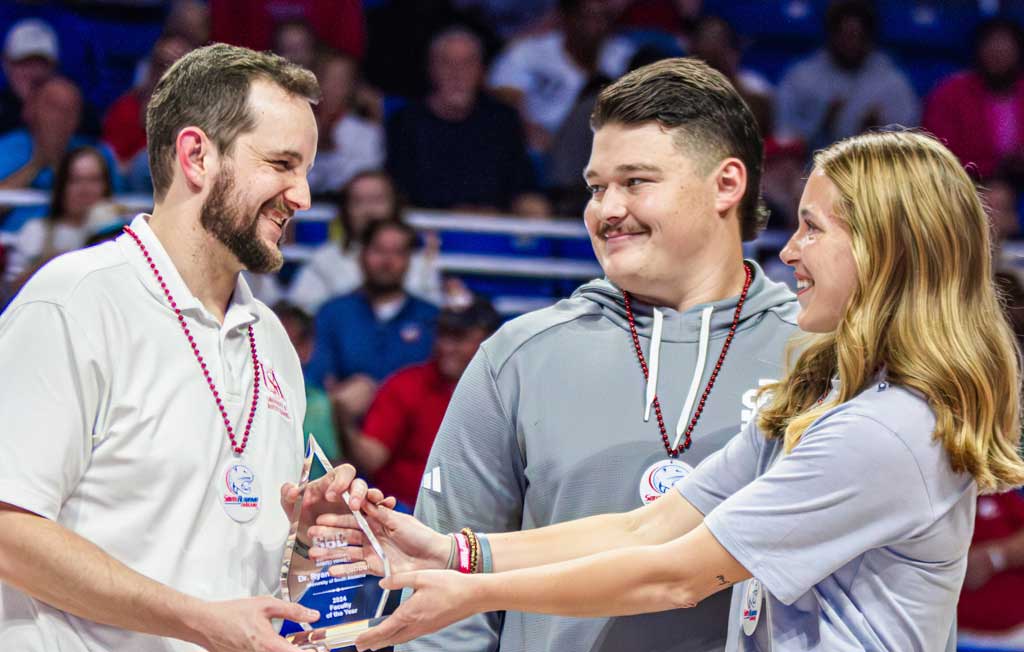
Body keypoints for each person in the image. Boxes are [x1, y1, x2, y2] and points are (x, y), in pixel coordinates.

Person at [316, 129, 1024, 652]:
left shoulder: (887, 429)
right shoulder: (827, 394)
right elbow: (648, 525)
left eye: (810, 228)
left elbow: (675, 577)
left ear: (883, 249)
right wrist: (453, 553)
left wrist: (472, 593)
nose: (787, 251)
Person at [377, 57, 800, 652]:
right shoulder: (519, 354)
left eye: (636, 181)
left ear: (726, 185)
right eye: (596, 187)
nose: (606, 209)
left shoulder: (818, 357)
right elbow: (446, 596)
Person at [0, 43, 333, 651]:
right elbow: (8, 531)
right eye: (283, 164)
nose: (302, 196)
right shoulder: (75, 302)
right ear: (196, 155)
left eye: (306, 171)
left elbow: (244, 578)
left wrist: (308, 541)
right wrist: (197, 621)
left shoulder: (274, 344)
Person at [339, 296, 501, 511]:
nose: (447, 347)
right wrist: (342, 416)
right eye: (443, 335)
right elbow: (371, 458)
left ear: (488, 341)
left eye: (460, 338)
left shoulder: (504, 393)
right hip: (404, 516)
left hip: (482, 518)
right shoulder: (406, 385)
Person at [386, 27, 548, 216]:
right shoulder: (405, 123)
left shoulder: (503, 122)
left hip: (494, 229)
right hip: (427, 229)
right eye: (447, 64)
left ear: (481, 72)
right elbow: (399, 194)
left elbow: (523, 187)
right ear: (431, 69)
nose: (457, 74)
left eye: (467, 64)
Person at [306, 219, 439, 420]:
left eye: (398, 252)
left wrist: (376, 393)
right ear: (362, 255)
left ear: (410, 260)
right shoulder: (333, 313)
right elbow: (318, 383)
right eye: (379, 250)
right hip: (343, 431)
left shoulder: (430, 317)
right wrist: (337, 400)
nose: (387, 260)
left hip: (410, 437)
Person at [287, 170, 443, 314]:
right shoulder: (324, 260)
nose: (368, 210)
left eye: (377, 200)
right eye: (358, 201)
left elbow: (430, 317)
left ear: (395, 205)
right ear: (345, 210)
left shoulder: (419, 261)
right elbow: (301, 312)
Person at [774, 0, 918, 153]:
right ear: (831, 35)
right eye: (846, 36)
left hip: (873, 172)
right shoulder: (801, 78)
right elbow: (783, 139)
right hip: (810, 170)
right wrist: (821, 127)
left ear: (870, 38)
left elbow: (909, 146)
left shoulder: (892, 82)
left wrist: (879, 136)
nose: (851, 44)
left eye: (858, 36)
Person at [924, 17, 1024, 182]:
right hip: (968, 184)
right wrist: (994, 171)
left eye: (1005, 50)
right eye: (991, 49)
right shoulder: (950, 93)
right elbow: (937, 155)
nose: (998, 56)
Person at [4, 146, 114, 291]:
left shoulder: (122, 237)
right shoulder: (36, 231)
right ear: (61, 186)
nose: (85, 189)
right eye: (75, 180)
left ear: (106, 186)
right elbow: (11, 291)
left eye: (94, 180)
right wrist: (49, 266)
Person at [0, 18, 59, 134]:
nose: (33, 73)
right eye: (24, 63)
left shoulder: (76, 116)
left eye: (41, 63)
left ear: (55, 68)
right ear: (6, 64)